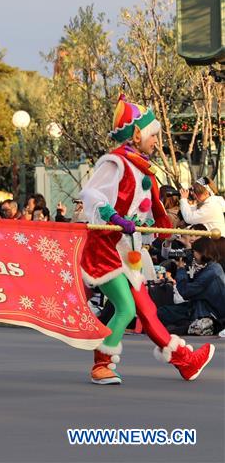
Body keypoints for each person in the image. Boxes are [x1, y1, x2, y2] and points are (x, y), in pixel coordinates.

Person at [79, 95, 214, 384]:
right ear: (137, 134)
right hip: (105, 251)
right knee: (126, 308)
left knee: (148, 311)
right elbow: (92, 195)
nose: (156, 141)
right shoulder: (114, 162)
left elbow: (148, 211)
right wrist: (115, 218)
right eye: (153, 135)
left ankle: (185, 362)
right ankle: (101, 365)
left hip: (129, 252)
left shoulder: (143, 169)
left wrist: (159, 226)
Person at [157, 237, 225, 335]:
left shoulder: (212, 272)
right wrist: (186, 250)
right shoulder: (212, 266)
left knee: (165, 315)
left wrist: (181, 269)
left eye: (194, 252)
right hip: (200, 307)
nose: (193, 255)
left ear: (202, 252)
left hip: (209, 313)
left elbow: (185, 292)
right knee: (162, 312)